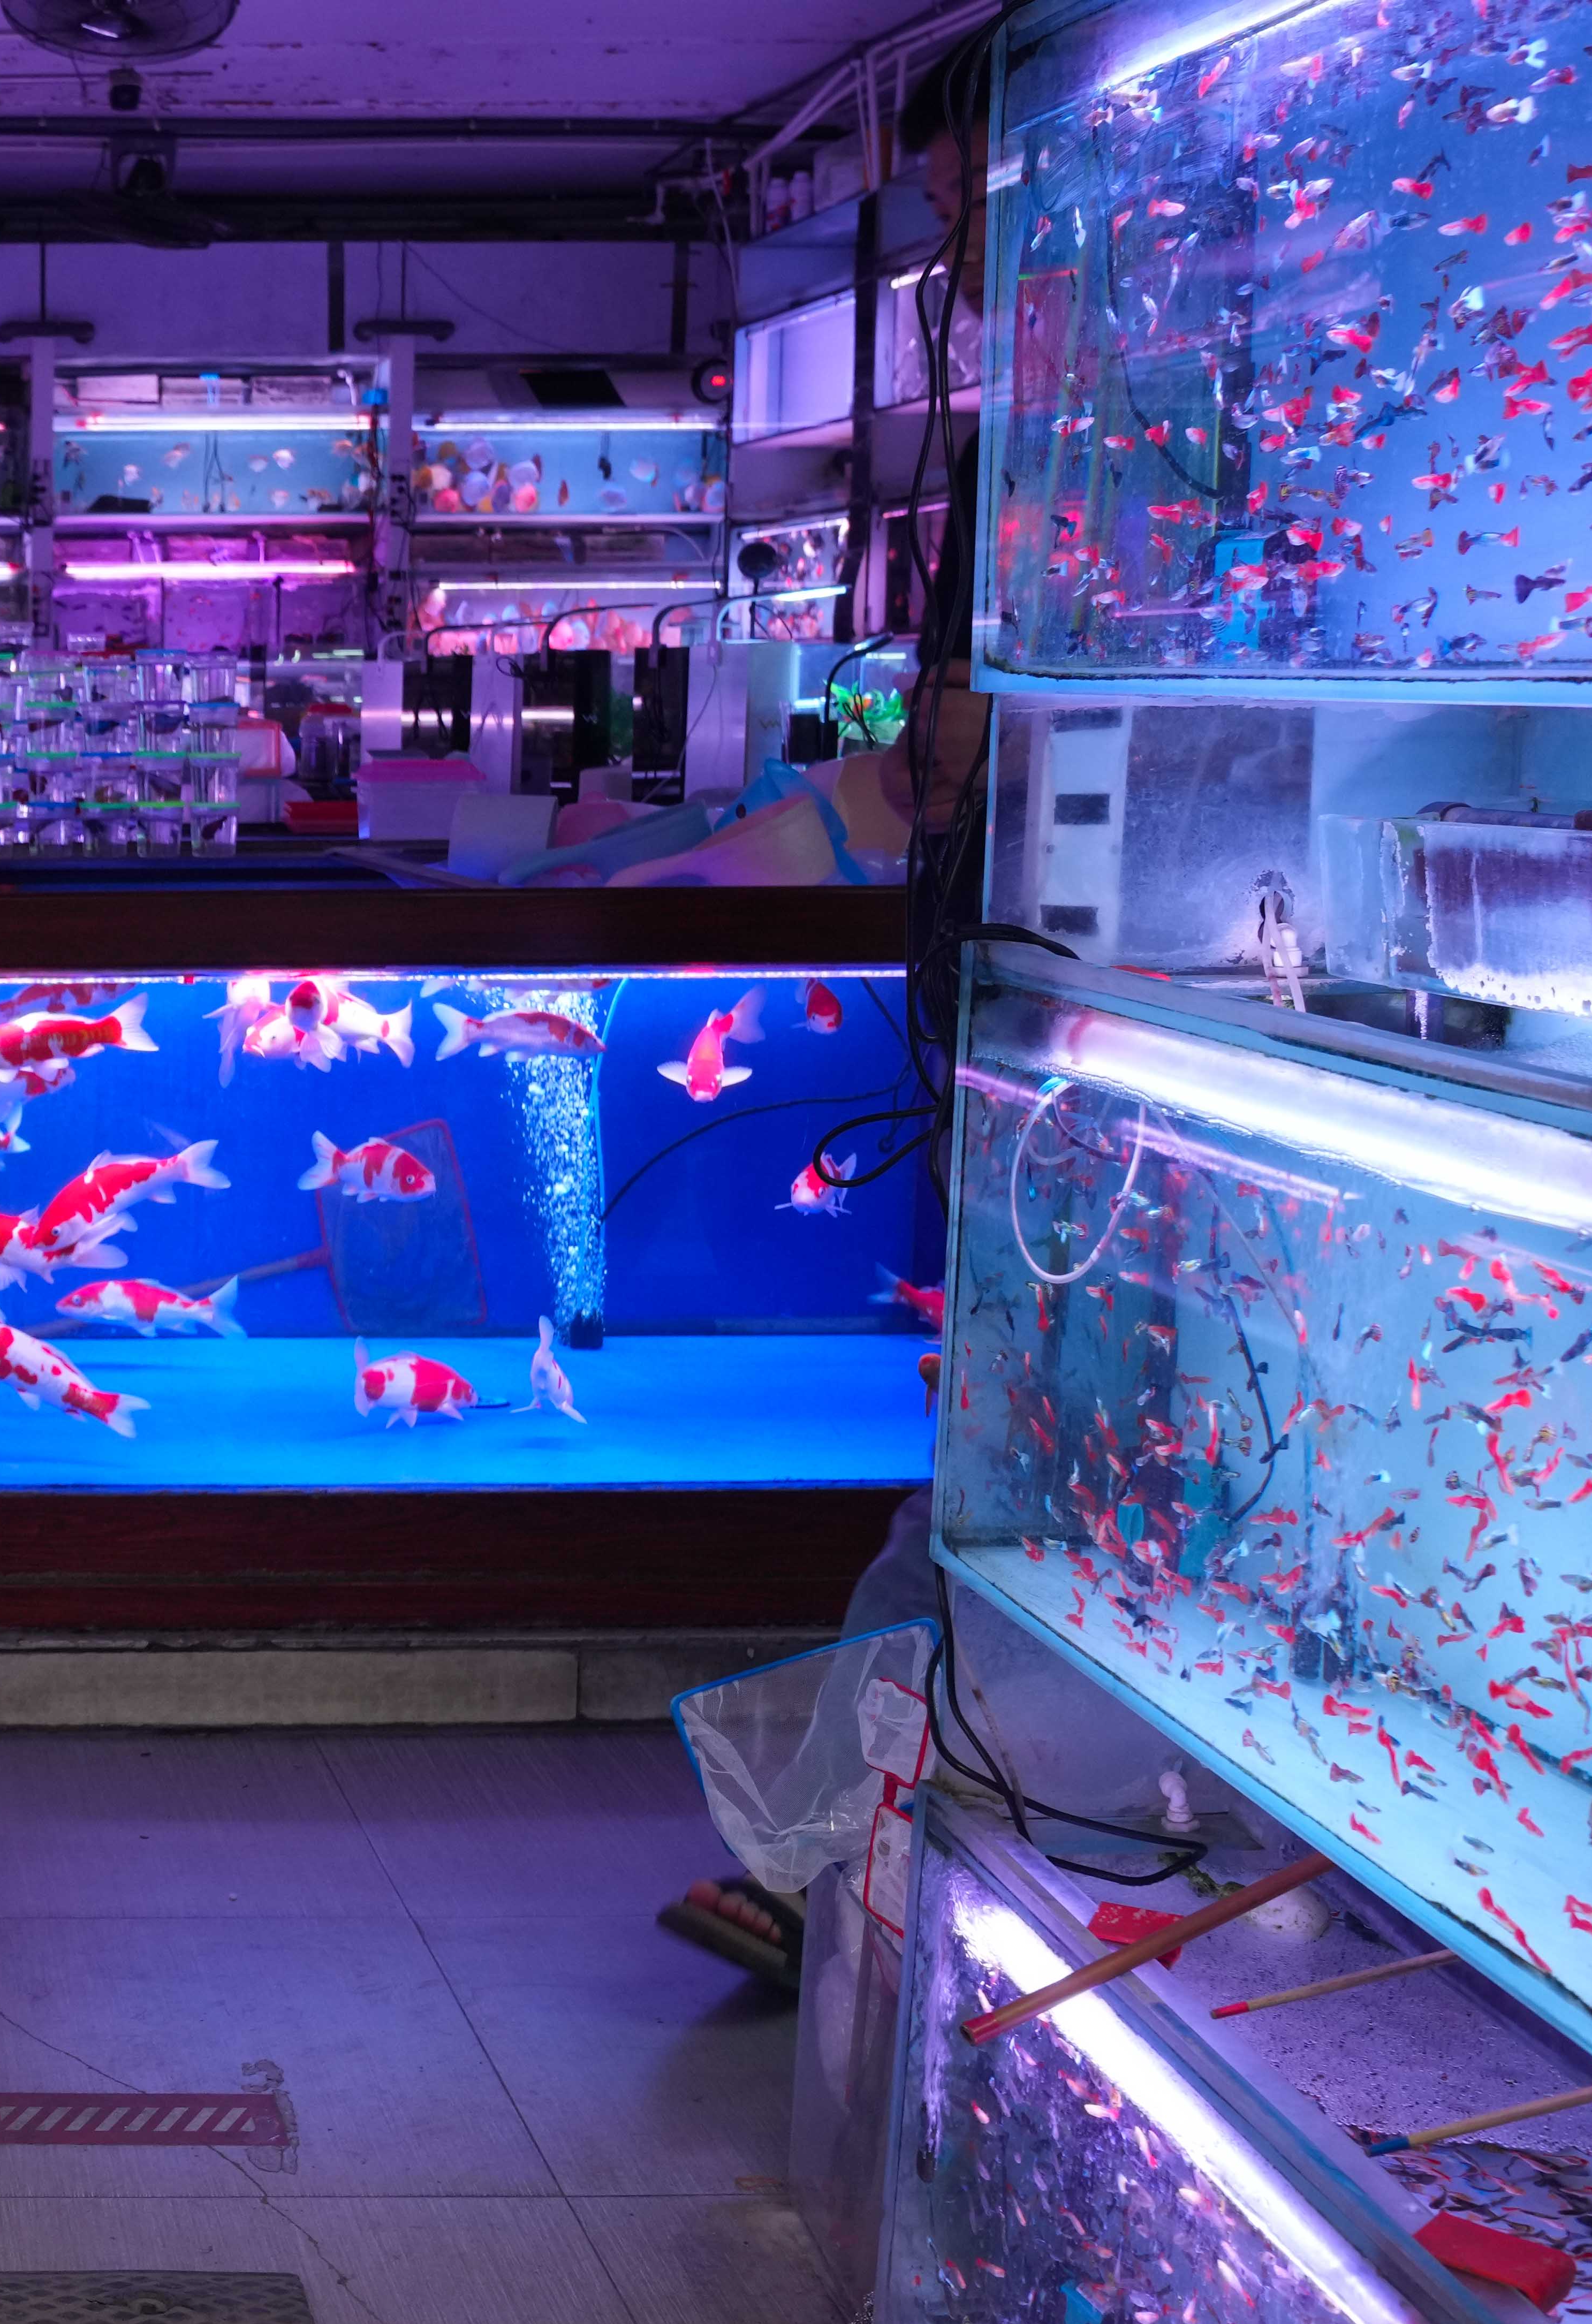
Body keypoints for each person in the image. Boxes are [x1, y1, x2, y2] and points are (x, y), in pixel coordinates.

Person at [656, 27, 991, 1989]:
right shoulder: (1011, 464)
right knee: (970, 1488)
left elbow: (945, 761)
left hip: (1049, 1060)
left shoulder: (1063, 473)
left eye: (961, 203)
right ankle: (828, 1862)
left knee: (975, 1497)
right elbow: (930, 764)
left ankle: (820, 1865)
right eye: (934, 212)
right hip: (998, 1044)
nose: (954, 252)